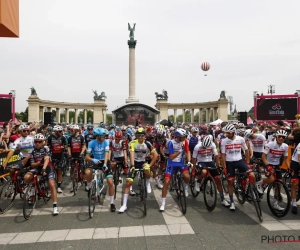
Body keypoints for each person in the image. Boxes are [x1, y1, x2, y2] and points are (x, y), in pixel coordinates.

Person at [118, 128, 158, 213]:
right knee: (128, 183)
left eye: (142, 135)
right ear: (136, 136)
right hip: (135, 163)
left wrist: (150, 165)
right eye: (138, 135)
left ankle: (147, 182)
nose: (140, 137)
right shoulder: (133, 143)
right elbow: (132, 154)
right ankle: (124, 205)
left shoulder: (148, 143)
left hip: (143, 162)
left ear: (144, 136)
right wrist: (132, 166)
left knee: (147, 169)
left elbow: (156, 155)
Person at [25, 133, 59, 215]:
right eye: (36, 141)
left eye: (39, 141)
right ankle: (32, 190)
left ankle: (55, 206)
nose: (37, 143)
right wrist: (38, 163)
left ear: (43, 142)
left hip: (47, 167)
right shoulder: (32, 151)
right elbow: (32, 164)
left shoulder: (46, 148)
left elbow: (47, 159)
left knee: (51, 184)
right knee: (26, 177)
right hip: (37, 167)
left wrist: (43, 168)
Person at [159, 128, 192, 212]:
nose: (184, 138)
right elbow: (171, 156)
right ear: (177, 136)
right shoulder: (171, 143)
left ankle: (185, 186)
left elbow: (188, 152)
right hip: (171, 164)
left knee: (187, 177)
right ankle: (163, 203)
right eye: (183, 136)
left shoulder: (185, 142)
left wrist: (188, 161)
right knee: (166, 182)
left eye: (185, 136)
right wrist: (180, 151)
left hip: (181, 164)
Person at [85, 127, 116, 212]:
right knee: (87, 172)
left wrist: (105, 164)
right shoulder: (91, 143)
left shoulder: (106, 142)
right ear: (98, 136)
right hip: (95, 161)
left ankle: (112, 203)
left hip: (104, 161)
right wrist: (93, 159)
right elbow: (86, 157)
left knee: (110, 182)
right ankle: (90, 187)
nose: (105, 137)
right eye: (103, 136)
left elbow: (106, 154)